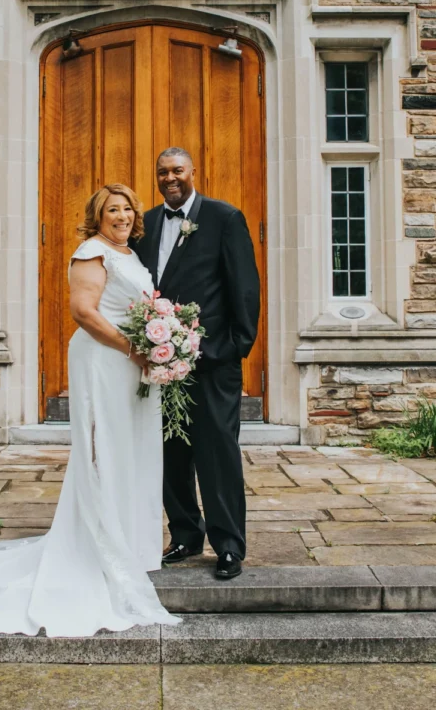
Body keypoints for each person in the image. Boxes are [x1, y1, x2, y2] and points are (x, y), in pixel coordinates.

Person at [0, 183, 180, 636]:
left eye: (127, 209)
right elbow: (84, 311)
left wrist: (158, 341)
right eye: (113, 210)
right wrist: (134, 348)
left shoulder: (128, 254)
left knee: (131, 450)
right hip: (107, 361)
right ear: (98, 215)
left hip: (132, 364)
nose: (122, 216)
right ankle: (96, 545)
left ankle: (129, 542)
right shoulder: (91, 252)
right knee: (102, 449)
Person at [133, 148, 260, 581]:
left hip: (213, 362)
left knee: (217, 451)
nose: (170, 178)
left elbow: (244, 287)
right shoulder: (145, 224)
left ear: (192, 173)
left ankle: (228, 546)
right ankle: (185, 534)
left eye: (177, 171)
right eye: (162, 172)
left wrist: (235, 347)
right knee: (169, 452)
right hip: (160, 363)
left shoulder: (224, 218)